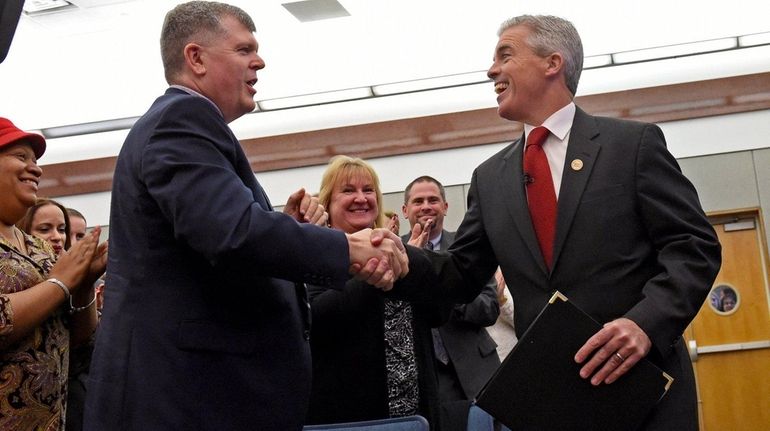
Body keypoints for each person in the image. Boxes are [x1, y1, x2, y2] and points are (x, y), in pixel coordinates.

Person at [386, 15, 721, 430]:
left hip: (641, 390)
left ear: (552, 63)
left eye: (505, 55)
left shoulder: (631, 146)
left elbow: (694, 247)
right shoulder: (490, 179)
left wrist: (645, 323)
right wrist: (399, 260)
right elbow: (460, 273)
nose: (492, 70)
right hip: (551, 400)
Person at [83, 3, 408, 431]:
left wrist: (290, 231)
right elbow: (233, 232)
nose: (260, 61)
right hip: (185, 400)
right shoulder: (182, 120)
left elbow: (220, 241)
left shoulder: (185, 125)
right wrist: (348, 246)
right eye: (244, 49)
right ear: (195, 58)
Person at [307, 156, 446, 429]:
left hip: (417, 418)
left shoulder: (400, 252)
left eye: (368, 190)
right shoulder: (314, 255)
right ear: (327, 204)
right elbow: (316, 321)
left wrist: (410, 258)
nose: (361, 198)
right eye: (348, 191)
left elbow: (440, 311)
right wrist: (369, 271)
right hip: (350, 420)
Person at [0, 117, 106, 430]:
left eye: (35, 161)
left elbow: (79, 343)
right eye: (21, 157)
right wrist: (60, 284)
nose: (37, 169)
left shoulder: (41, 250)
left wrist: (83, 286)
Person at [401, 175, 500, 431]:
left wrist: (446, 290)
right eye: (418, 201)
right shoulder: (393, 252)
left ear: (445, 207)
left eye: (433, 200)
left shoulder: (468, 247)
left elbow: (489, 308)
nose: (426, 206)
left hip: (477, 373)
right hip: (423, 377)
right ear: (405, 210)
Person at [485, 268, 517, 361]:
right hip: (493, 363)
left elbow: (525, 321)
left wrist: (501, 299)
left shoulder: (501, 268)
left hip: (518, 351)